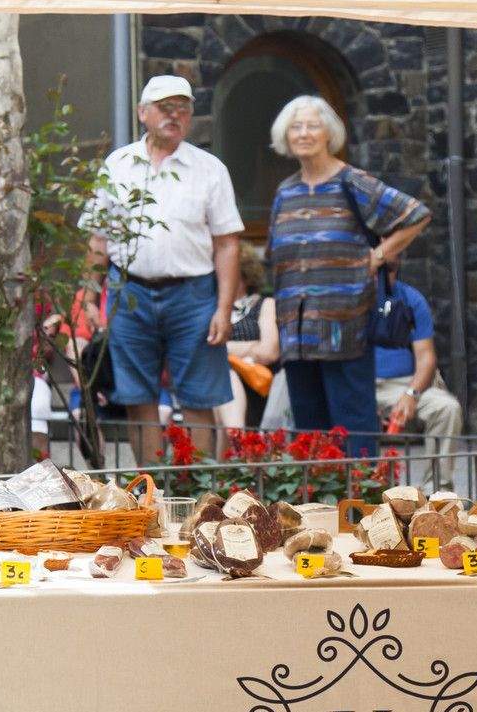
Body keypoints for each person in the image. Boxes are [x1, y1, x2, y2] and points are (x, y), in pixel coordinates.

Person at [83, 76, 242, 465]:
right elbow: (99, 238)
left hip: (193, 293)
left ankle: (199, 488)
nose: (175, 115)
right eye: (165, 107)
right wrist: (89, 295)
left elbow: (227, 243)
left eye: (183, 108)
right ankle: (151, 486)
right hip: (129, 291)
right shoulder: (117, 165)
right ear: (143, 113)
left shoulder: (209, 169)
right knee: (136, 397)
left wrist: (224, 309)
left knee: (199, 398)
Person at [267, 95, 429, 457]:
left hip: (345, 327)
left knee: (353, 427)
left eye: (312, 125)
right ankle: (317, 493)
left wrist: (376, 257)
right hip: (297, 335)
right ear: (285, 136)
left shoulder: (351, 182)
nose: (304, 133)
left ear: (329, 133)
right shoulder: (285, 192)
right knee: (310, 434)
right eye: (296, 127)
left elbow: (415, 214)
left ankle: (363, 490)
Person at [373, 275, 463, 451]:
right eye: (379, 270)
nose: (384, 277)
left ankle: (439, 471)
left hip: (402, 386)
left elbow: (426, 358)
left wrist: (411, 394)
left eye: (390, 270)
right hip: (358, 386)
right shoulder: (347, 299)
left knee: (447, 408)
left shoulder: (410, 299)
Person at [216, 242, 279, 434]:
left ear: (243, 273)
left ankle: (236, 442)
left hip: (255, 386)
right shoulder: (208, 308)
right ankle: (237, 442)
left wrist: (223, 347)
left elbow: (269, 352)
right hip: (214, 384)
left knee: (227, 379)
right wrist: (251, 347)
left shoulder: (265, 304)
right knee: (225, 377)